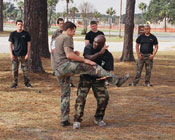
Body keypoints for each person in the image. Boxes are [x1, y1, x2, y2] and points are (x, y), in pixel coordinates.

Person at [52, 21, 129, 127]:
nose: (74, 33)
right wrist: (85, 60)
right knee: (91, 66)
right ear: (69, 30)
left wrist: (74, 54)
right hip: (65, 66)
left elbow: (62, 53)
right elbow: (69, 55)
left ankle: (64, 119)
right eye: (74, 31)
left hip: (57, 70)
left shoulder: (57, 38)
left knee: (65, 94)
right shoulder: (67, 38)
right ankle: (116, 80)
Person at [73, 35, 113, 129]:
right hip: (86, 77)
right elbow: (87, 58)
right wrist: (99, 53)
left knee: (104, 98)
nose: (94, 44)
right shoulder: (88, 48)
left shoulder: (108, 55)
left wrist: (105, 78)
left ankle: (98, 118)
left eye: (97, 43)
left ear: (102, 45)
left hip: (98, 80)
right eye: (94, 41)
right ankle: (77, 120)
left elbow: (109, 71)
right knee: (80, 98)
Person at [85, 20, 114, 85]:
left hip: (100, 49)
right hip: (93, 51)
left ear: (96, 26)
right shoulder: (88, 34)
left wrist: (104, 49)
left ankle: (107, 76)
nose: (93, 27)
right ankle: (98, 76)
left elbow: (103, 42)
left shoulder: (101, 33)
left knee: (109, 56)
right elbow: (86, 44)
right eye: (92, 26)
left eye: (94, 26)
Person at [50, 18, 75, 87]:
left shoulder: (68, 34)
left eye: (62, 23)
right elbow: (53, 44)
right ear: (57, 24)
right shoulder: (56, 33)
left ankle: (70, 82)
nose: (61, 25)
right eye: (60, 23)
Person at [9, 20, 32, 88]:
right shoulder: (13, 34)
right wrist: (11, 54)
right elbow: (10, 44)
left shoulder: (26, 34)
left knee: (25, 70)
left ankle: (27, 83)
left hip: (24, 55)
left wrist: (28, 54)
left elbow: (29, 44)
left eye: (21, 24)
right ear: (16, 25)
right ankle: (14, 83)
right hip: (15, 55)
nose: (20, 26)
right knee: (14, 70)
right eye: (18, 24)